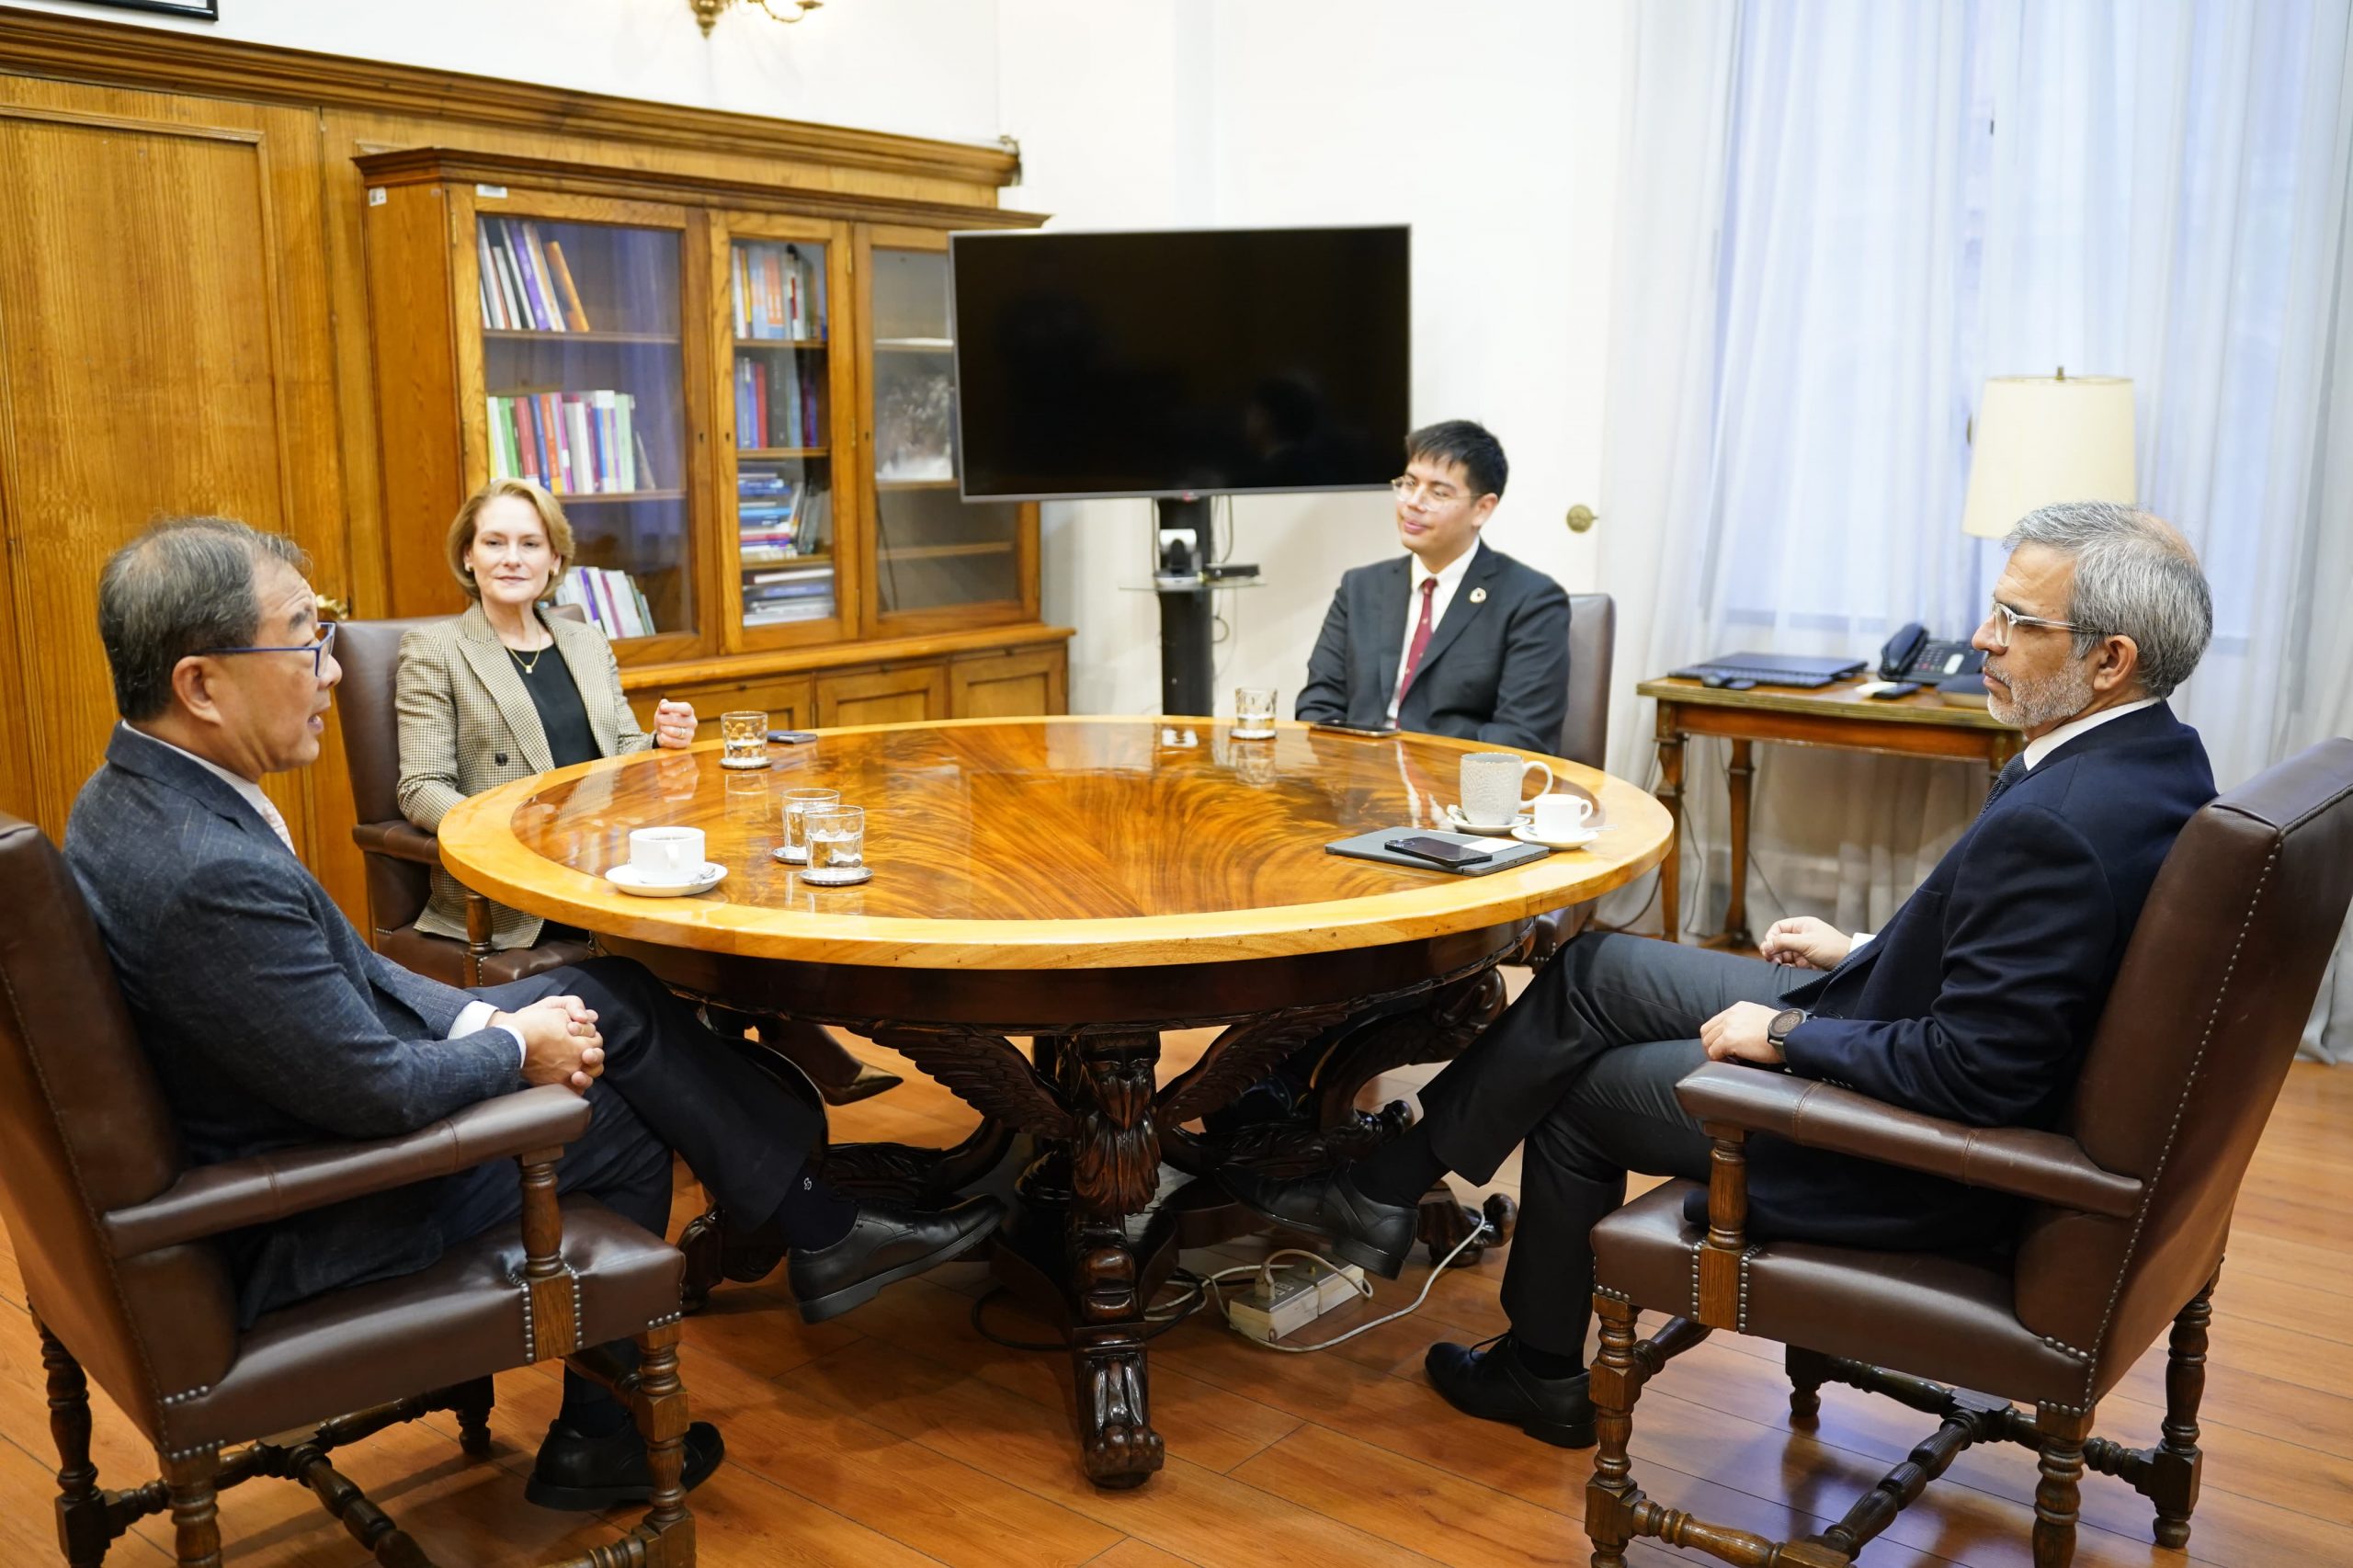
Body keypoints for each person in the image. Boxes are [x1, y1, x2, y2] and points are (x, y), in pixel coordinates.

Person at [1231, 501, 2218, 1448]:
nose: (1982, 635)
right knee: (1593, 969)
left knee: (1583, 1092)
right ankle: (1387, 1186)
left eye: (2014, 617)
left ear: (2108, 659)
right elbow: (2021, 967)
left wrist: (1785, 1036)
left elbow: (1981, 1070)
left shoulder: (2059, 817)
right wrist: (1865, 951)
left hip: (1906, 1138)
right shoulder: (2159, 759)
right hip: (1888, 1009)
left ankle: (1538, 1368)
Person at [65, 516, 1002, 1509]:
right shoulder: (204, 873)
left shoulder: (135, 794)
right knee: (623, 1112)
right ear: (200, 683)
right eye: (304, 638)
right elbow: (374, 1088)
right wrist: (517, 1044)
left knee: (616, 994)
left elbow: (352, 975)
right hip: (312, 1206)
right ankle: (620, 1416)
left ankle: (814, 1220)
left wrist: (491, 1024)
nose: (332, 668)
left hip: (295, 1106)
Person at [396, 478, 895, 1104]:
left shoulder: (581, 638)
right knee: (695, 931)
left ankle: (764, 1075)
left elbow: (620, 756)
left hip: (610, 852)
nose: (511, 558)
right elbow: (419, 788)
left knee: (734, 901)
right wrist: (504, 833)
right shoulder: (437, 650)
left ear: (556, 559)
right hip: (523, 879)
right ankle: (761, 1084)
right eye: (493, 542)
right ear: (467, 555)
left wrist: (659, 743)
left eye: (530, 543)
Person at [1294, 419, 1571, 756]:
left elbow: (1520, 736)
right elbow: (1318, 705)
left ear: (1482, 509)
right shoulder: (1360, 588)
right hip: (1357, 787)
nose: (1413, 502)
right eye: (1409, 484)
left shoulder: (1530, 600)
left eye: (1438, 493)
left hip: (1460, 796)